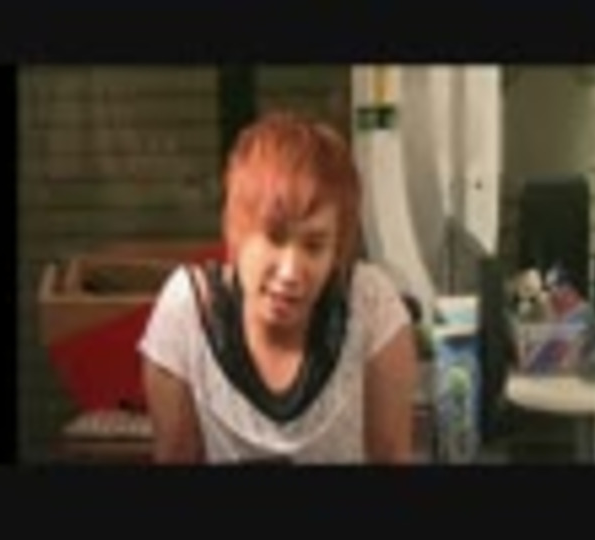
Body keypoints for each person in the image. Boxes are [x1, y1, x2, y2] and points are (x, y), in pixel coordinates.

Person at [138, 111, 418, 464]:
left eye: (314, 246)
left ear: (336, 252)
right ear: (237, 232)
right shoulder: (188, 311)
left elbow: (392, 455)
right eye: (274, 237)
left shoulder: (371, 305)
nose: (290, 272)